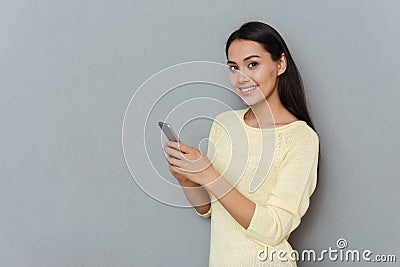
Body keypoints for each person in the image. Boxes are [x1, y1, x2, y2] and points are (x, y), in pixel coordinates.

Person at [162, 21, 319, 267]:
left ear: (280, 64)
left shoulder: (301, 139)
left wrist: (209, 175)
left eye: (252, 64)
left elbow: (274, 228)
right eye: (233, 67)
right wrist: (188, 177)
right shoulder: (224, 123)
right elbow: (209, 209)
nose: (241, 77)